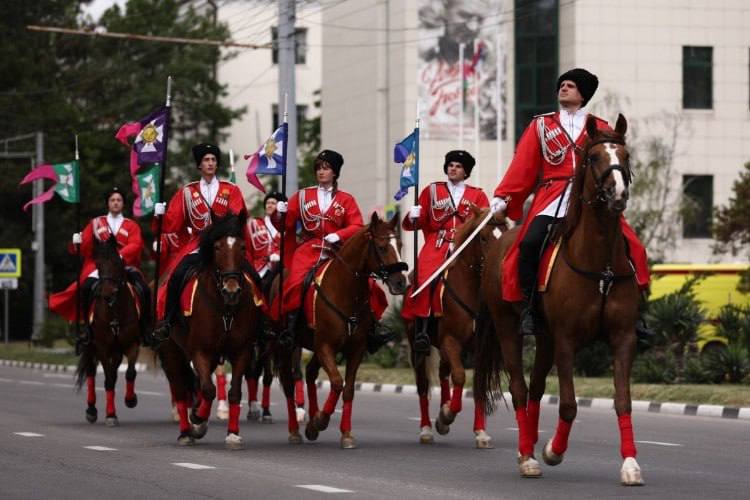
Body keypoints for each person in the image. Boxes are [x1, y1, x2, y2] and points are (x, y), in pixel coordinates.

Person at [489, 68, 650, 336]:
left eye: (571, 85)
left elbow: (614, 163)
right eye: (562, 85)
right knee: (528, 243)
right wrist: (504, 195)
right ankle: (529, 308)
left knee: (634, 247)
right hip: (552, 196)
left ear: (583, 94)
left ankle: (638, 311)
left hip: (591, 200)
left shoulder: (602, 127)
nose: (563, 88)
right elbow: (523, 165)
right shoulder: (541, 125)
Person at [273, 150, 393, 352]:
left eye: (326, 168)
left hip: (338, 252)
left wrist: (339, 235)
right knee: (296, 283)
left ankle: (371, 329)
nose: (321, 172)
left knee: (370, 285)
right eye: (319, 168)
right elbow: (284, 226)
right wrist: (280, 214)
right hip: (309, 249)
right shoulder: (302, 196)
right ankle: (291, 326)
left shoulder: (346, 199)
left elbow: (357, 225)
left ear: (335, 173)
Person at [150, 143, 255, 343]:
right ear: (199, 165)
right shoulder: (187, 192)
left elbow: (236, 217)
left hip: (224, 246)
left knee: (253, 276)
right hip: (197, 245)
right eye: (206, 160)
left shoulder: (230, 189)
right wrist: (160, 214)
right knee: (176, 276)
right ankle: (168, 321)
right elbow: (172, 224)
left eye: (213, 160)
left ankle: (262, 324)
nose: (210, 163)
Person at [401, 150, 489, 353]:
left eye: (458, 166)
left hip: (465, 245)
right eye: (450, 165)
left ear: (465, 171)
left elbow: (484, 222)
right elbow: (417, 223)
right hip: (437, 243)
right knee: (424, 278)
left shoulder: (478, 194)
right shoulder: (431, 191)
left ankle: (487, 327)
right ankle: (422, 329)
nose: (453, 168)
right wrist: (413, 216)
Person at [48, 187, 148, 350]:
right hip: (101, 267)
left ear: (123, 204)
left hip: (125, 265)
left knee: (144, 289)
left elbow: (136, 244)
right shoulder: (96, 223)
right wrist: (77, 242)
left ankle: (144, 329)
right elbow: (85, 247)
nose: (116, 203)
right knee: (86, 288)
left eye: (119, 200)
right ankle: (86, 328)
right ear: (108, 204)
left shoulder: (131, 225)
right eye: (112, 200)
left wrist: (120, 257)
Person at [247, 191, 285, 292]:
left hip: (279, 270)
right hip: (258, 270)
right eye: (268, 203)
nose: (269, 205)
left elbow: (289, 248)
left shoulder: (285, 227)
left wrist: (279, 255)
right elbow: (248, 249)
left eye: (273, 203)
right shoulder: (254, 224)